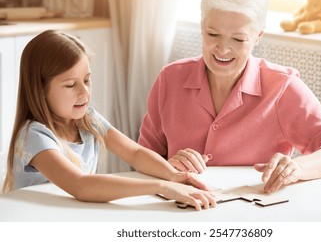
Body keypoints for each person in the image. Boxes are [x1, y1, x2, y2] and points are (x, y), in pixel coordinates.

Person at [138, 0, 321, 194]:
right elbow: (141, 159)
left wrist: (297, 168)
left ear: (258, 37)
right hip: (180, 211)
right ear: (202, 26)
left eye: (238, 39)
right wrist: (168, 168)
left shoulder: (281, 87)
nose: (223, 49)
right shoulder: (170, 79)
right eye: (213, 34)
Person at [2, 30, 216, 211]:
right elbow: (81, 185)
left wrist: (174, 176)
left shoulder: (88, 120)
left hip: (74, 218)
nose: (84, 91)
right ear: (40, 90)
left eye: (87, 80)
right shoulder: (34, 136)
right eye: (70, 85)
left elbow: (135, 153)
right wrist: (161, 186)